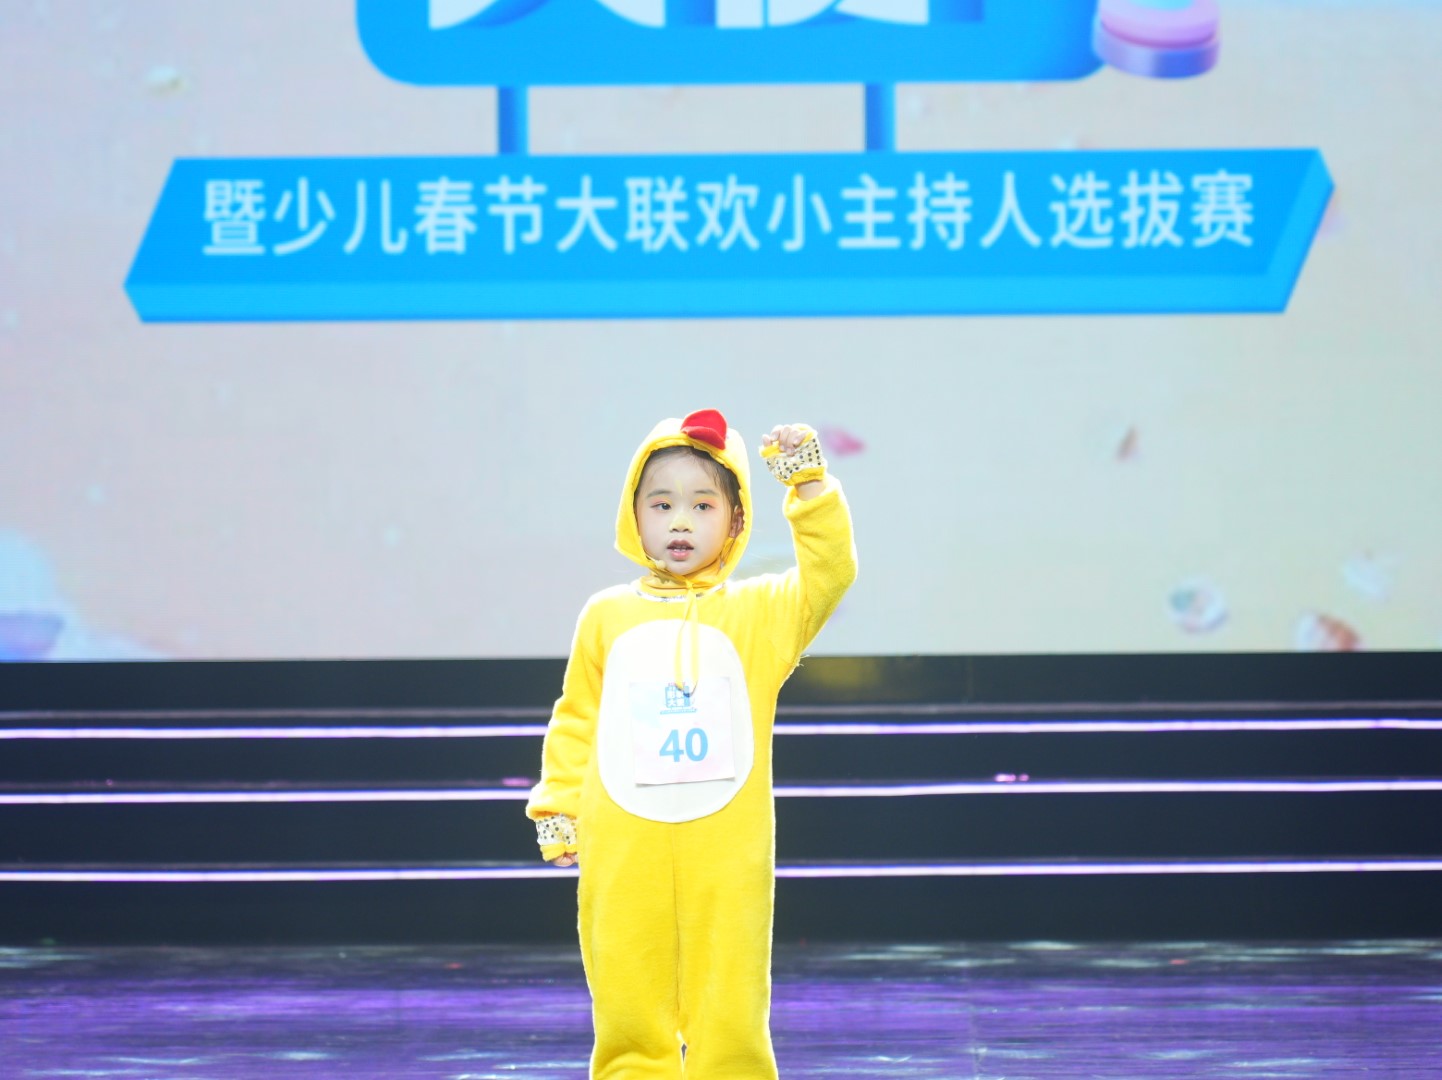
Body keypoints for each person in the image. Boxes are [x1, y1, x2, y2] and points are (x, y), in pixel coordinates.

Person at [526, 407, 857, 1079]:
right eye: (662, 504)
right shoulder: (605, 615)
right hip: (623, 836)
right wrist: (558, 805)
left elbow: (829, 576)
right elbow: (578, 715)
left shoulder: (758, 613)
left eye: (703, 505)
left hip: (726, 839)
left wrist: (808, 483)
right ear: (633, 514)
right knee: (625, 984)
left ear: (735, 521)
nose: (680, 522)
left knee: (730, 989)